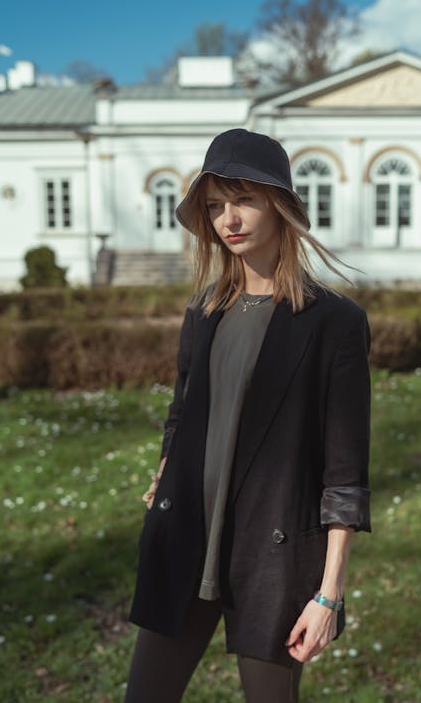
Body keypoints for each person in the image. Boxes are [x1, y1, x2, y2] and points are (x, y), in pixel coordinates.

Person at [124, 128, 372, 703]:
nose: (228, 219)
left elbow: (345, 473)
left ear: (279, 204)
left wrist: (329, 593)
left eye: (244, 200)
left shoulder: (333, 322)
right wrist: (167, 465)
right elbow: (182, 410)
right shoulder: (205, 311)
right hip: (183, 541)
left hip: (273, 558)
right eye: (214, 206)